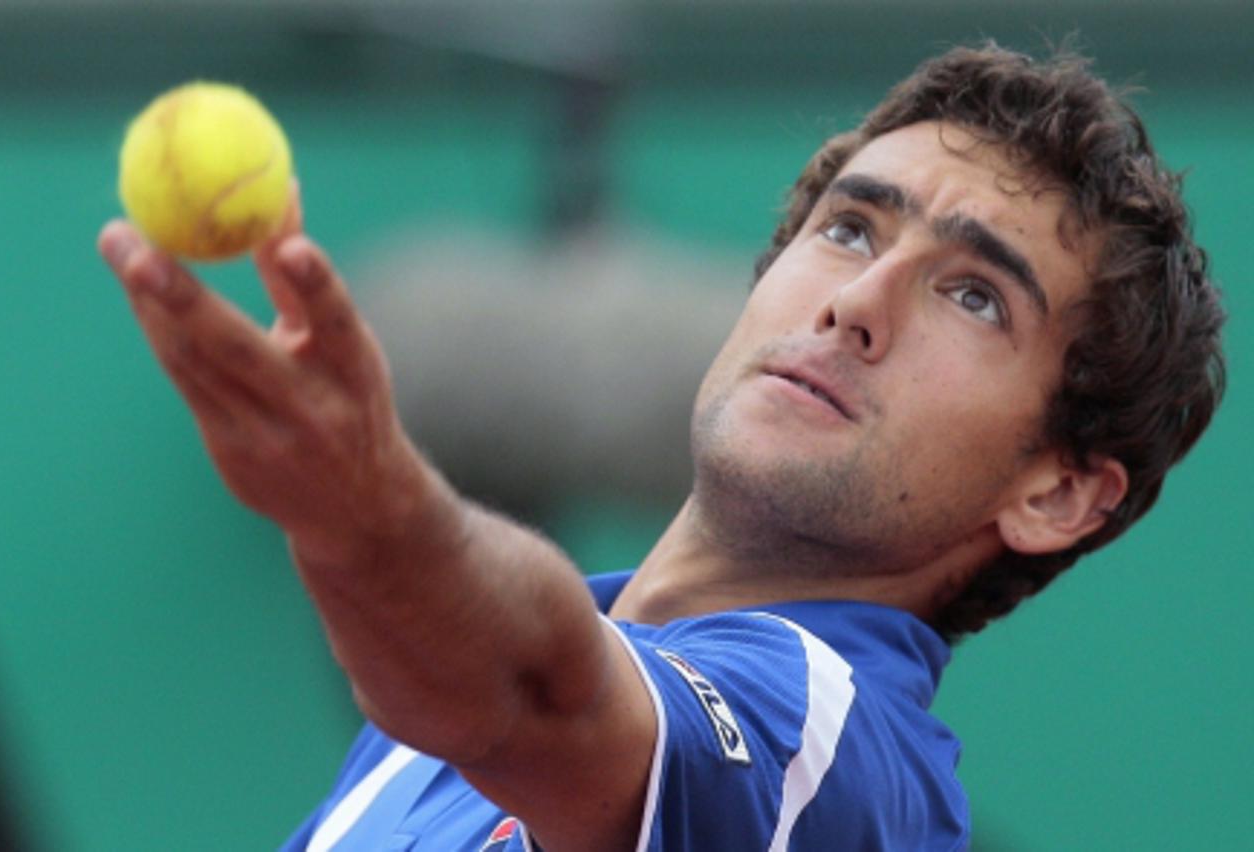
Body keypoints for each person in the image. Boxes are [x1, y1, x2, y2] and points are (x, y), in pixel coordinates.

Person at [97, 42, 1225, 851]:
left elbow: (539, 698)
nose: (857, 301)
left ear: (1057, 492)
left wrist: (363, 512)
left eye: (974, 297)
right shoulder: (415, 747)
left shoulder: (833, 756)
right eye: (847, 228)